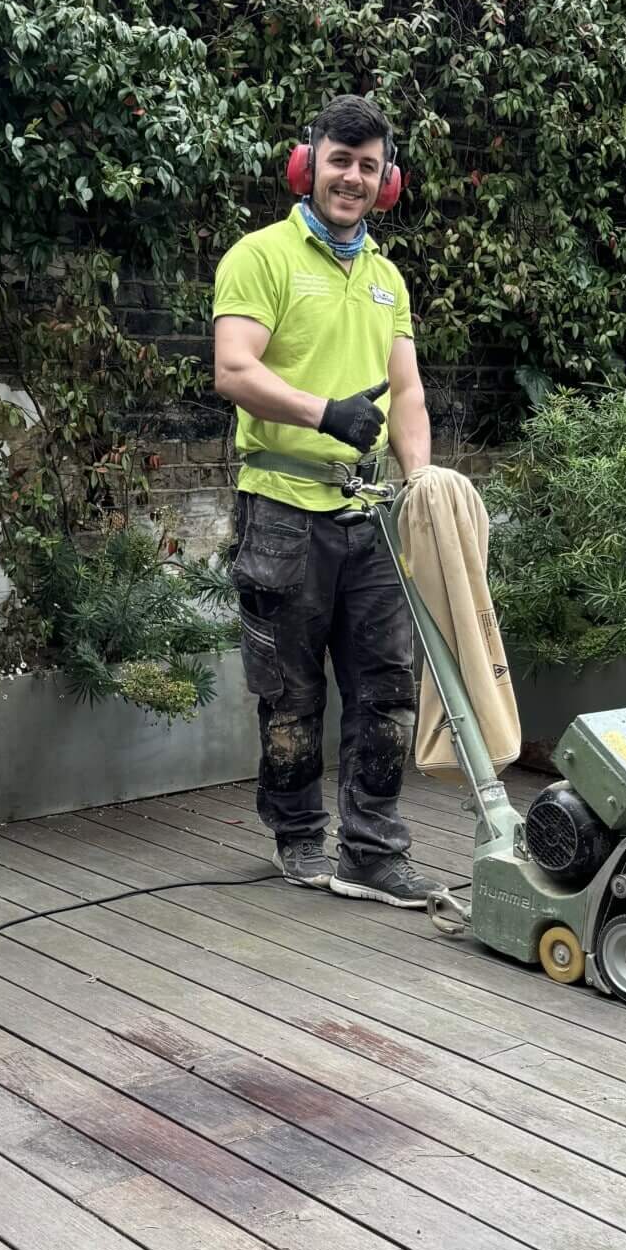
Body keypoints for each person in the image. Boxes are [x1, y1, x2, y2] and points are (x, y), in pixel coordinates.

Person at [211, 94, 447, 908]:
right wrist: (324, 413)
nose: (352, 177)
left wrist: (418, 479)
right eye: (339, 160)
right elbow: (234, 369)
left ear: (387, 181)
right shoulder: (260, 256)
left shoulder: (387, 279)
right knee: (291, 689)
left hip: (370, 511)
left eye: (368, 165)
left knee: (387, 683)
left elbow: (408, 390)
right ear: (308, 164)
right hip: (280, 505)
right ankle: (301, 834)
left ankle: (373, 850)